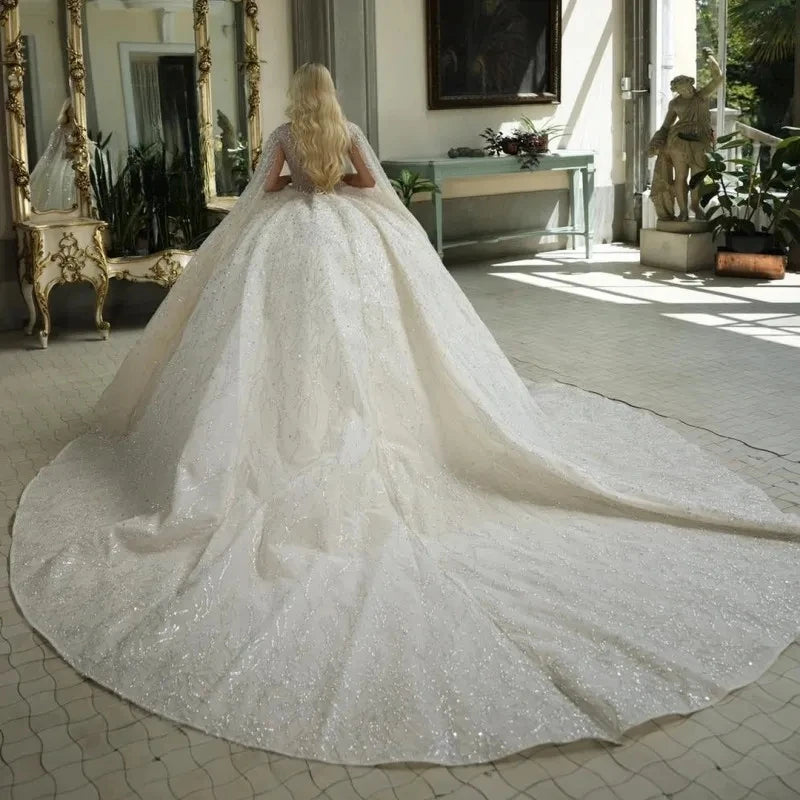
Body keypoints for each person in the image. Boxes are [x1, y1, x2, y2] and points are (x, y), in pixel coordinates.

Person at [11, 64, 800, 766]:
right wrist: (342, 186)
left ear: (295, 102)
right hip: (349, 243)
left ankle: (278, 441)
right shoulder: (347, 131)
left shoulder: (285, 133)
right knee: (368, 335)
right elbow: (368, 186)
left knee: (277, 343)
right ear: (335, 100)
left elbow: (269, 191)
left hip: (288, 243)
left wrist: (292, 189)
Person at [648, 49, 723, 221]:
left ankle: (694, 206)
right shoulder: (674, 103)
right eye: (682, 89)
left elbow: (718, 78)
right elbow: (667, 125)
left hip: (700, 141)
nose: (687, 91)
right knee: (680, 176)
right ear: (677, 91)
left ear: (691, 85)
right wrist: (657, 140)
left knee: (697, 177)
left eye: (688, 87)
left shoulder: (701, 96)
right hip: (678, 141)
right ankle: (682, 211)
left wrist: (710, 57)